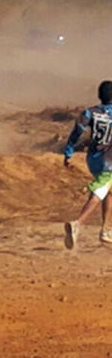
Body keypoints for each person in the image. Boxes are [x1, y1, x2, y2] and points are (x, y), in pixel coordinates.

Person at [63, 79, 112, 248]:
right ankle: (78, 223)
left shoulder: (90, 112)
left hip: (93, 158)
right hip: (109, 161)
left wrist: (68, 152)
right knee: (99, 191)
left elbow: (77, 132)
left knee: (109, 191)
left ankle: (105, 230)